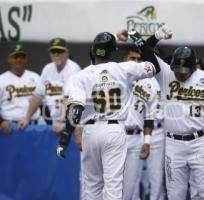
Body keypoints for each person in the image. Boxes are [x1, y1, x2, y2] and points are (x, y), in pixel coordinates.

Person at [130, 27, 204, 199]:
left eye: (183, 71)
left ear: (193, 67)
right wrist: (156, 36)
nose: (179, 73)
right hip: (173, 144)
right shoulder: (165, 73)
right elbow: (145, 50)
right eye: (176, 68)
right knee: (175, 195)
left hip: (200, 142)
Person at [55, 31, 160, 200]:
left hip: (90, 131)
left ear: (92, 51)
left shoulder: (81, 75)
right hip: (114, 130)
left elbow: (74, 111)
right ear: (113, 52)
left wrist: (65, 137)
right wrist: (140, 41)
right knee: (113, 186)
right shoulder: (124, 68)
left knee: (92, 186)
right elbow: (155, 65)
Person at [122, 46, 166, 200]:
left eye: (139, 60)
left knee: (153, 177)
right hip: (119, 133)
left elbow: (151, 115)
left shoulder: (152, 82)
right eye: (132, 58)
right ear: (125, 58)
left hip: (149, 131)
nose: (135, 62)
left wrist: (146, 140)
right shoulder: (119, 76)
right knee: (123, 181)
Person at [18, 38, 81, 133]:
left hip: (72, 122)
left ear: (67, 53)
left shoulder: (73, 69)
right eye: (53, 51)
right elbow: (37, 96)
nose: (56, 54)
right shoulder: (47, 69)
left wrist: (63, 121)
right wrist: (27, 119)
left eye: (60, 51)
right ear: (50, 54)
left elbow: (68, 98)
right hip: (53, 120)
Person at [0, 43, 42, 136]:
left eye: (21, 57)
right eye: (15, 56)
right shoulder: (0, 80)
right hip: (10, 127)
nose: (19, 59)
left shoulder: (35, 77)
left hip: (33, 127)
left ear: (25, 59)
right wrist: (1, 122)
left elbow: (43, 103)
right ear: (9, 59)